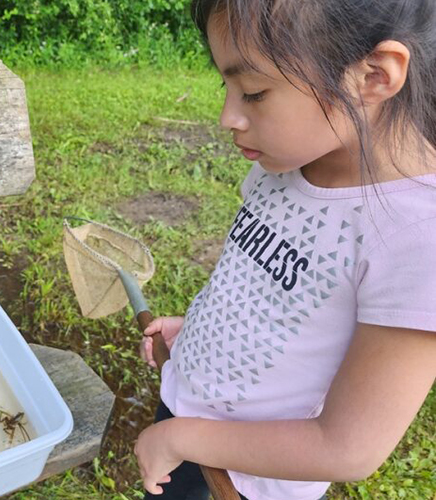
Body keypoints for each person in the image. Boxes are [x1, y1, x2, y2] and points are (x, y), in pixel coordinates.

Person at [134, 1, 436, 499]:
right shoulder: (286, 166)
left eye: (254, 92)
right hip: (187, 422)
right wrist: (202, 334)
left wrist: (183, 437)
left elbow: (348, 447)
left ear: (374, 76)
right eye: (226, 87)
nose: (228, 117)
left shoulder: (416, 237)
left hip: (241, 481)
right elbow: (271, 289)